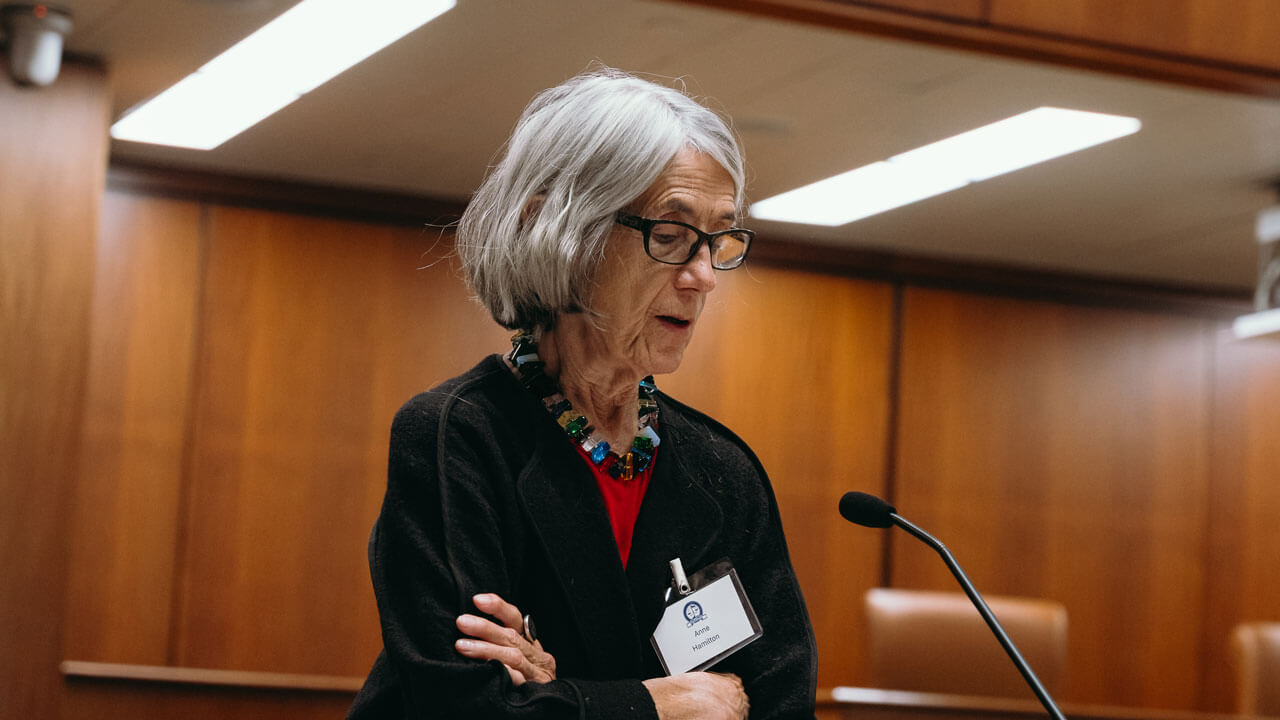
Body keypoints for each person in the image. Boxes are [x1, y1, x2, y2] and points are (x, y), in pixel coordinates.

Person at [347, 67, 817, 720]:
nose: (704, 276)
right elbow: (464, 706)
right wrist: (664, 703)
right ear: (563, 231)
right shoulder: (458, 436)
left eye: (719, 240)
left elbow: (776, 705)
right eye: (671, 234)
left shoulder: (722, 471)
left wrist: (558, 694)